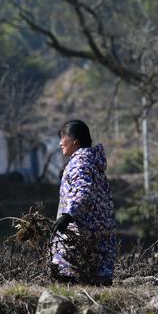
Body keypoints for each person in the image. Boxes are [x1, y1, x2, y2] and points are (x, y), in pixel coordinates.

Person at [50, 120, 116, 286]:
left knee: (65, 272)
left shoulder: (80, 163)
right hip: (102, 228)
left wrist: (67, 214)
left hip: (81, 231)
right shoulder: (91, 161)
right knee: (99, 280)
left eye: (63, 137)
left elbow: (83, 193)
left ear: (75, 141)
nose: (60, 142)